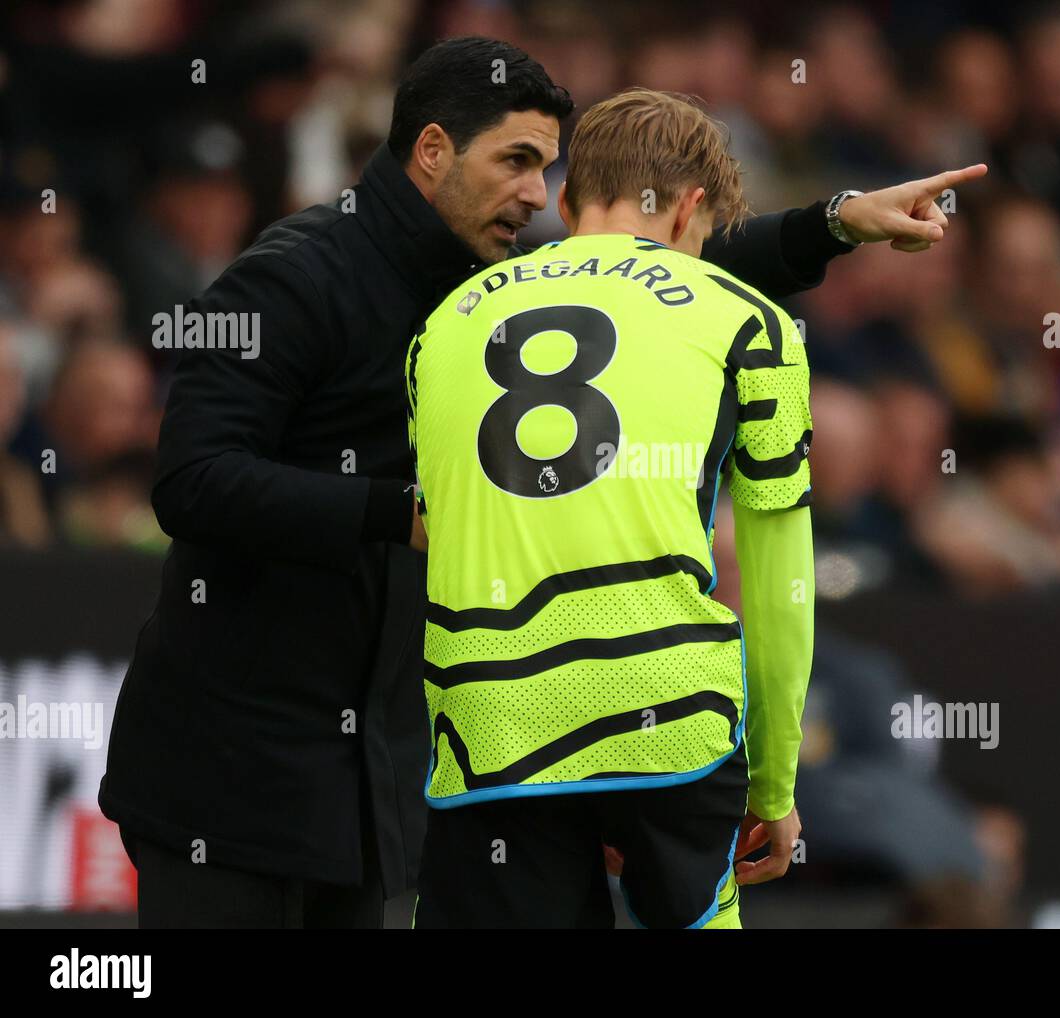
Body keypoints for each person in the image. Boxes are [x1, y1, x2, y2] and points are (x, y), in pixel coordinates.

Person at [100, 34, 984, 929]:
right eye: (516, 161)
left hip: (367, 779)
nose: (536, 193)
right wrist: (396, 511)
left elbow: (661, 272)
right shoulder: (287, 279)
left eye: (548, 167)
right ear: (433, 150)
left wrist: (835, 224)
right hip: (227, 769)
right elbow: (191, 480)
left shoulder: (485, 287)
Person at [407, 87, 981, 928]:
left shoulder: (444, 325)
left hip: (488, 723)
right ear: (693, 209)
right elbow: (783, 584)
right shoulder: (752, 323)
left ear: (566, 203)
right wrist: (775, 784)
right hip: (669, 719)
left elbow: (438, 536)